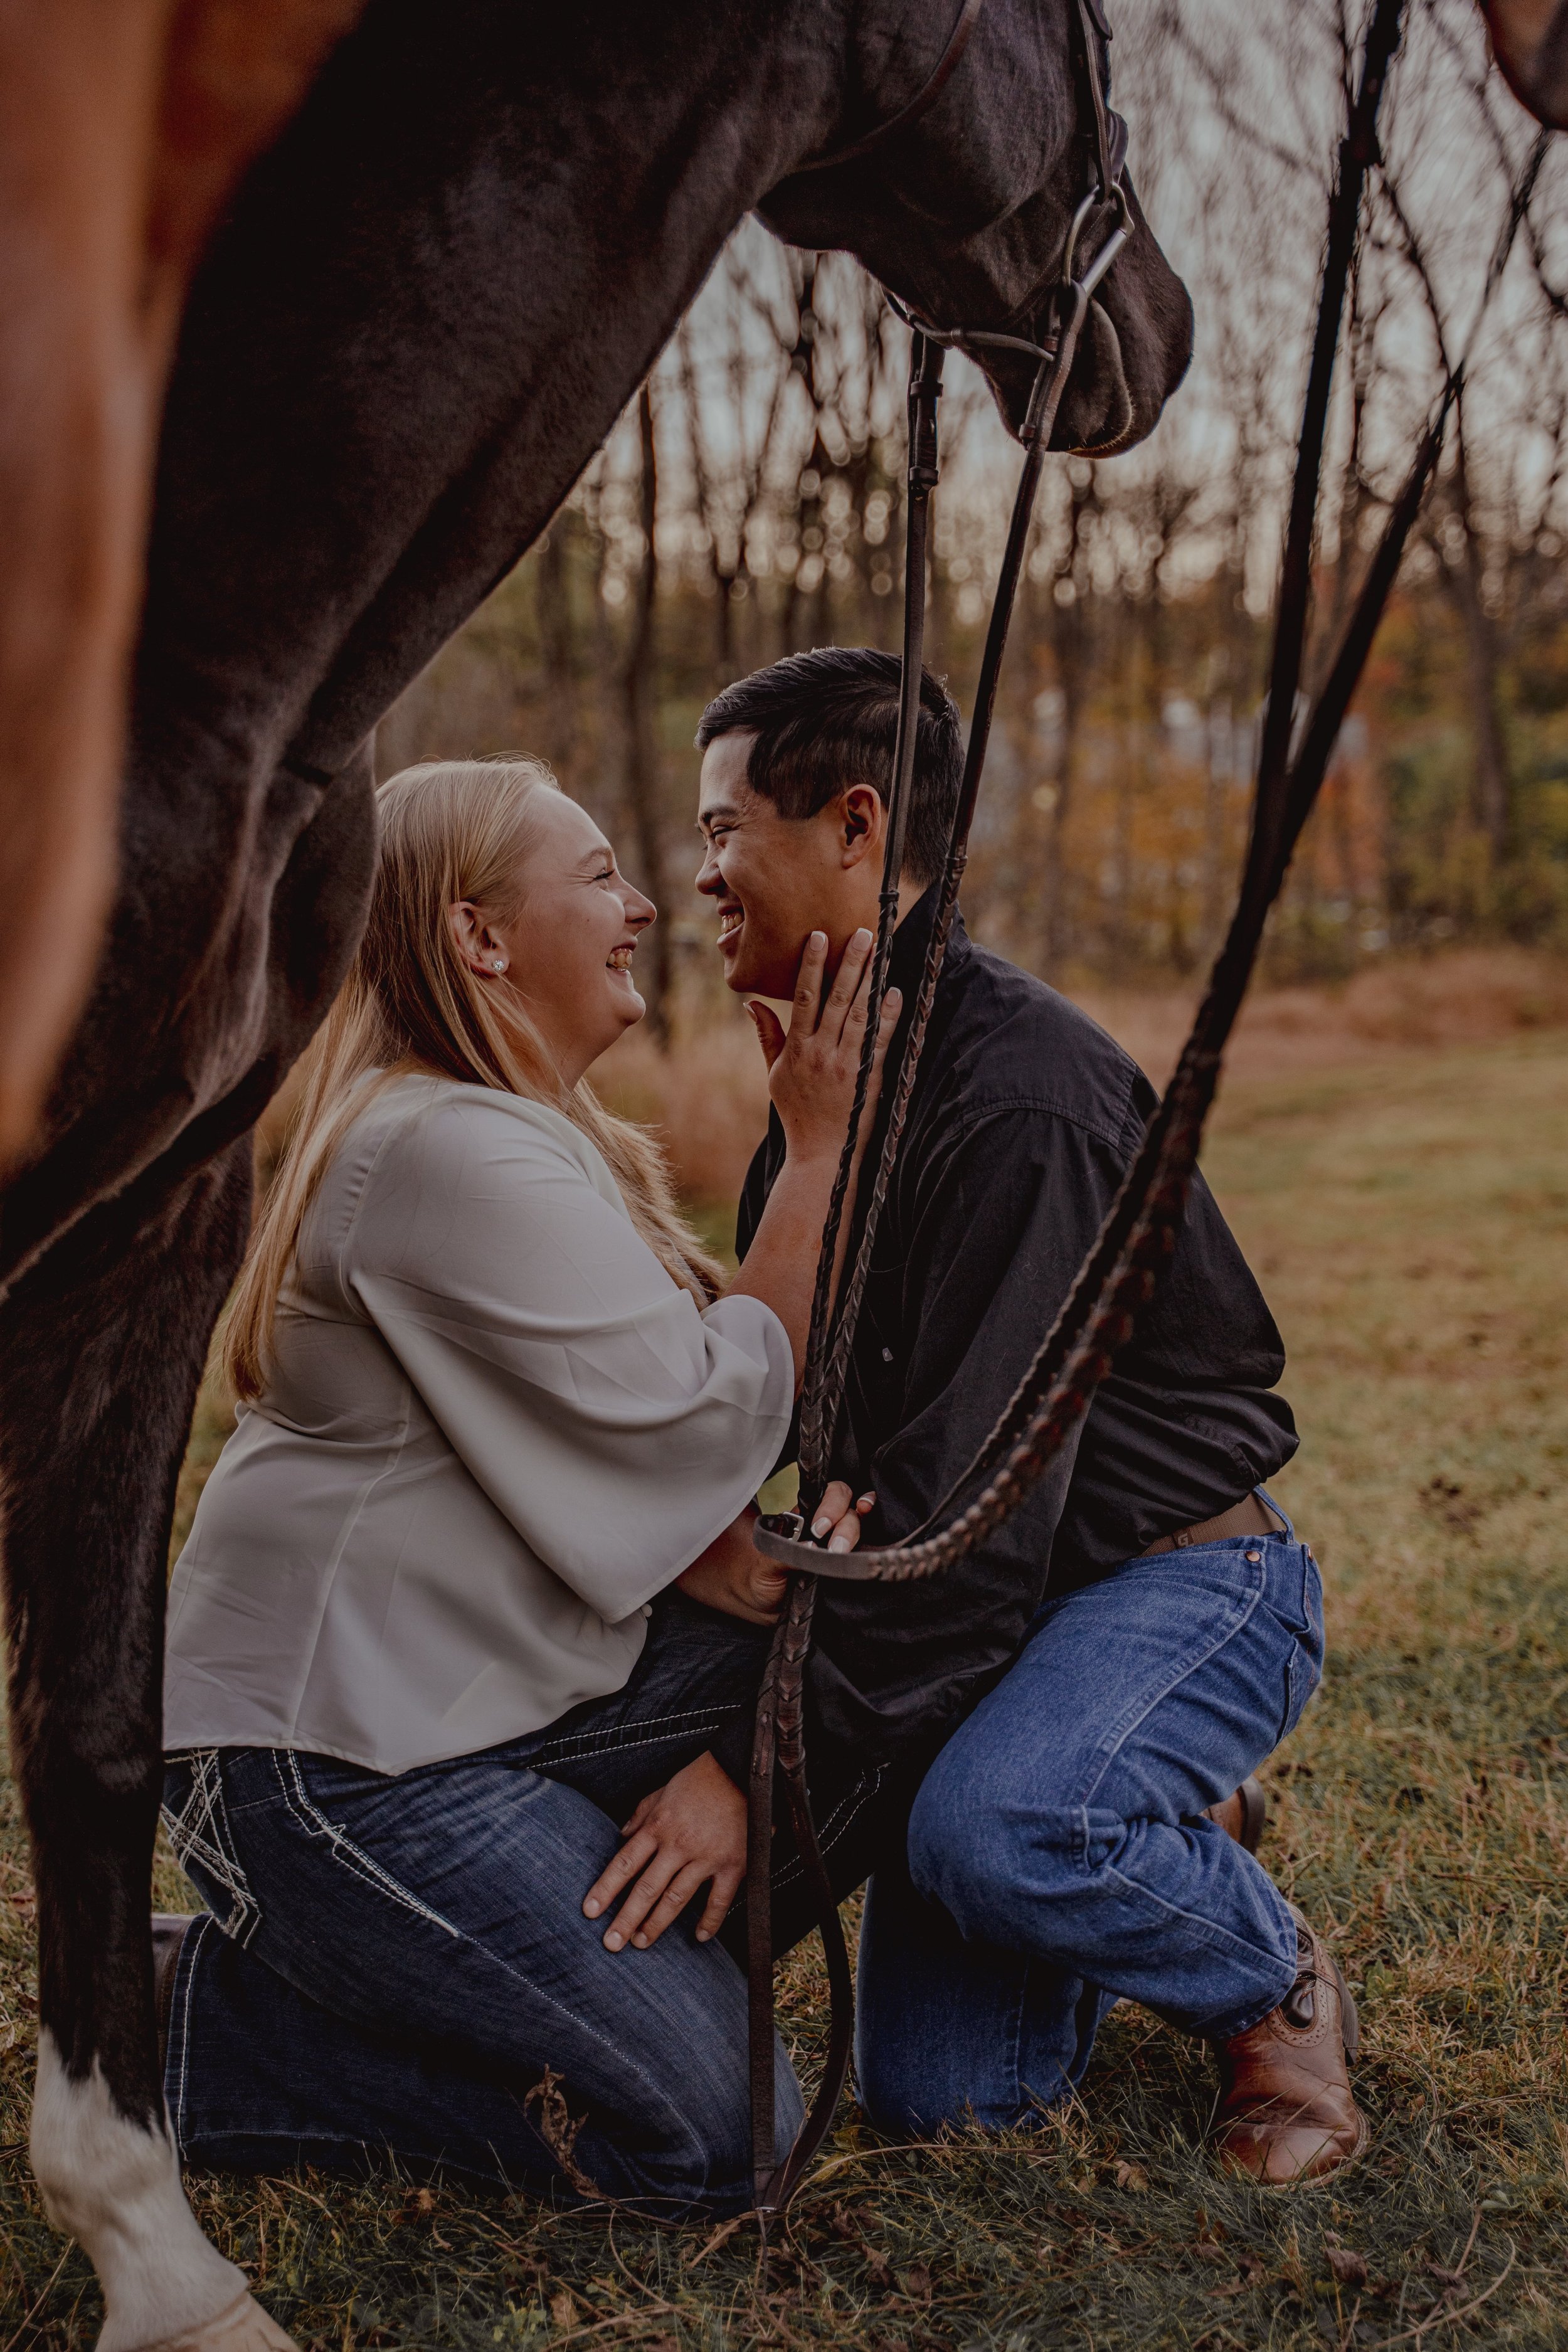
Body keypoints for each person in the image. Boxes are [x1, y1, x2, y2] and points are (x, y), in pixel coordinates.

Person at [156, 755, 897, 2215]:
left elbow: (610, 1438)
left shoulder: (514, 1133)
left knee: (871, 1648)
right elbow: (704, 1423)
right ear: (479, 938)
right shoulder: (446, 1147)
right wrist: (815, 1146)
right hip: (334, 1771)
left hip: (473, 1704)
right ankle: (196, 2033)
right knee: (726, 2147)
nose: (638, 906)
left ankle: (472, 1974)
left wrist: (726, 1571)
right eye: (598, 876)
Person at [693, 649, 1365, 2186]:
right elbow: (792, 1389)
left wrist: (756, 1781)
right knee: (952, 2104)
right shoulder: (834, 1073)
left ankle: (1267, 1978)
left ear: (854, 829)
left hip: (1171, 1580)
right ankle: (1137, 1800)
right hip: (1010, 1614)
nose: (704, 873)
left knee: (991, 1835)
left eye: (725, 827)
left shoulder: (1016, 1098)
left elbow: (967, 1542)